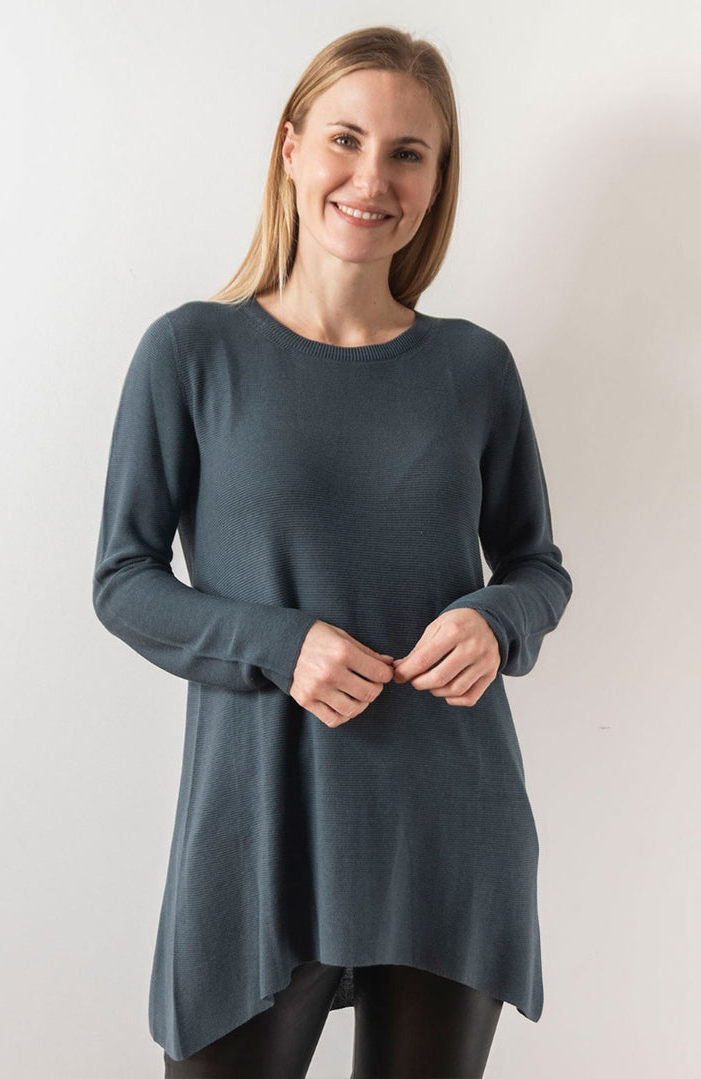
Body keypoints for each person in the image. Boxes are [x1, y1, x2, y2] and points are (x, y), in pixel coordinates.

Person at [92, 24, 573, 1079]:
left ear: (437, 179)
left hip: (449, 820)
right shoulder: (192, 352)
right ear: (291, 149)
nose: (371, 178)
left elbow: (537, 566)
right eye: (346, 140)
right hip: (260, 823)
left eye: (408, 153)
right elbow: (123, 580)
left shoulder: (474, 368)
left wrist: (495, 619)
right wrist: (280, 643)